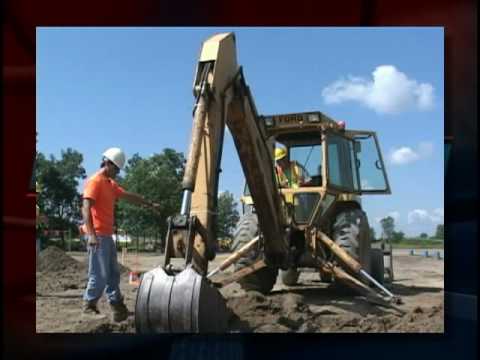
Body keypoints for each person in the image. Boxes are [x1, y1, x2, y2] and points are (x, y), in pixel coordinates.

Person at [82, 147, 160, 322]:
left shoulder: (110, 183)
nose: (117, 173)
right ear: (107, 163)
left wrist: (149, 204)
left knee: (113, 274)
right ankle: (89, 305)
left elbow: (128, 196)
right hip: (98, 235)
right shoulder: (95, 182)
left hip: (107, 235)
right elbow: (86, 208)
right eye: (116, 169)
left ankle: (117, 306)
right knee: (99, 273)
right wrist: (92, 235)